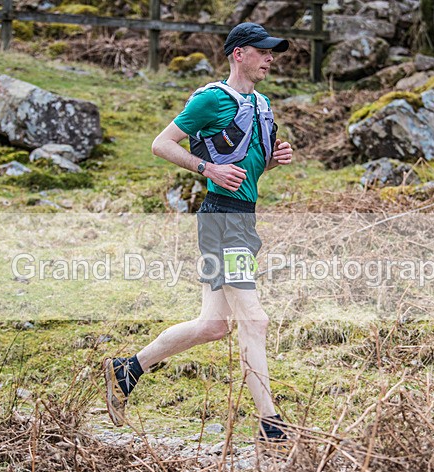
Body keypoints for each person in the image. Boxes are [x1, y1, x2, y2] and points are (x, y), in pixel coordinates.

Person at [103, 22, 294, 446]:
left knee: (213, 325)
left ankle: (128, 368)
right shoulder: (212, 99)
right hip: (221, 220)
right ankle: (272, 427)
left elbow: (247, 168)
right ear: (238, 54)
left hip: (239, 217)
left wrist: (276, 160)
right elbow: (161, 143)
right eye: (262, 51)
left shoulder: (261, 104)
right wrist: (206, 169)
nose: (270, 58)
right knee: (254, 319)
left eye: (272, 52)